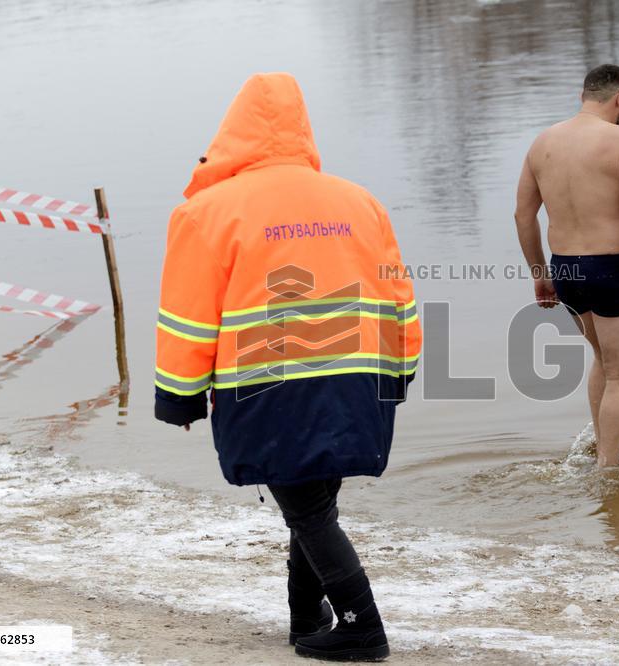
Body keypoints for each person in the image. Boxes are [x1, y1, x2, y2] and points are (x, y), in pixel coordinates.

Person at [154, 72, 421, 661]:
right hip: (358, 376)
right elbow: (399, 296)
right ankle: (307, 616)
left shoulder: (205, 212)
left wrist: (178, 396)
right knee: (314, 503)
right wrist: (401, 370)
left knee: (307, 508)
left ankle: (362, 627)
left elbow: (188, 317)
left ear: (231, 132)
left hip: (267, 386)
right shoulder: (359, 202)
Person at [514, 64, 619, 468]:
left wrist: (540, 275)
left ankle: (603, 449)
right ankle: (609, 471)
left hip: (566, 270)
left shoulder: (542, 143)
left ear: (583, 95)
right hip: (612, 269)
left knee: (602, 359)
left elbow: (523, 215)